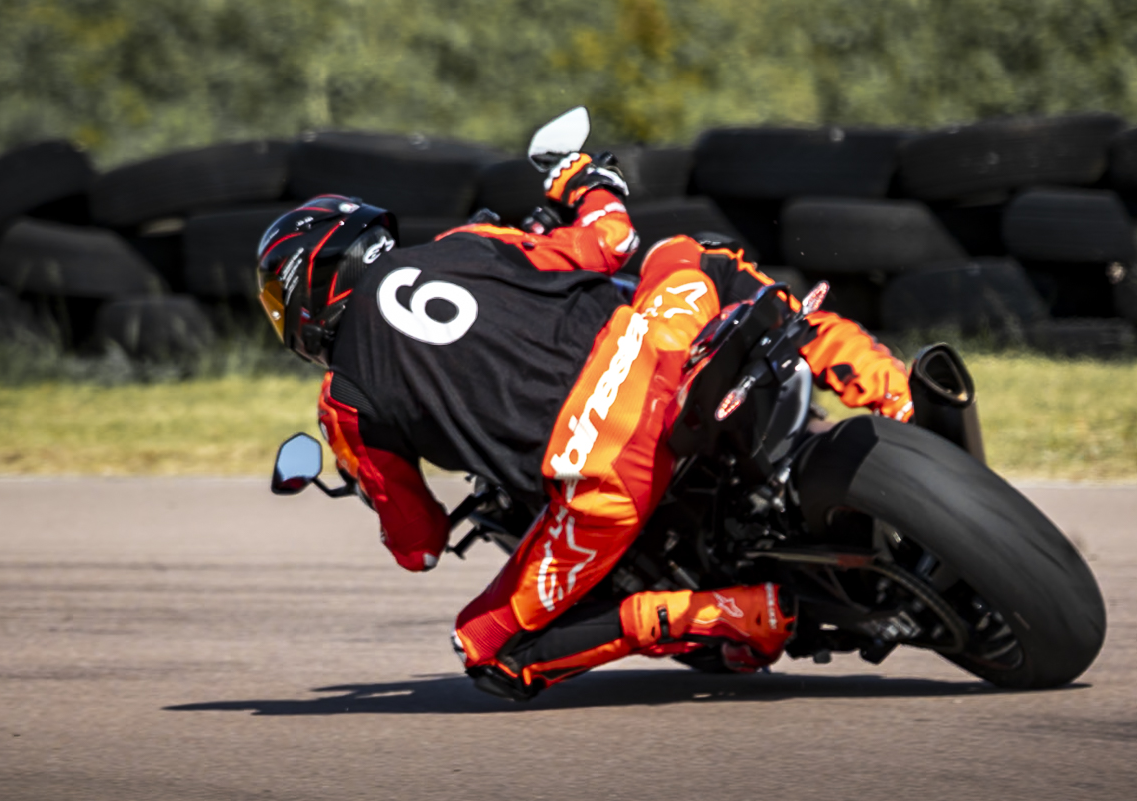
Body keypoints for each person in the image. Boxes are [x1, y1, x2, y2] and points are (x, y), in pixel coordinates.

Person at [255, 150, 915, 702]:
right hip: (659, 354)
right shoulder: (467, 245)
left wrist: (372, 493)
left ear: (308, 289)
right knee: (694, 254)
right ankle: (894, 390)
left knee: (488, 649)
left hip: (602, 475)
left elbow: (420, 547)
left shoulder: (344, 402)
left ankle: (732, 612)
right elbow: (611, 242)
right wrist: (586, 181)